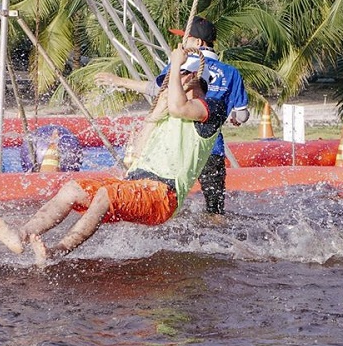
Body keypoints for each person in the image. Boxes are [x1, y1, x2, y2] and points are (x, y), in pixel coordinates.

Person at [0, 45, 228, 261]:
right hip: (136, 185)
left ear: (192, 78)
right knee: (71, 189)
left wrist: (175, 65)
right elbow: (138, 152)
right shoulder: (166, 112)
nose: (168, 84)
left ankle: (56, 252)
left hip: (163, 195)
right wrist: (154, 115)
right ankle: (21, 235)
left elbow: (180, 106)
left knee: (105, 194)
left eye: (176, 76)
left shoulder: (211, 109)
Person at [96, 16, 249, 216]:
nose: (181, 43)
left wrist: (119, 81)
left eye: (186, 39)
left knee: (163, 200)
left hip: (176, 147)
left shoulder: (182, 66)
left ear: (197, 42)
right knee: (215, 209)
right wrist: (234, 118)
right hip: (211, 149)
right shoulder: (231, 72)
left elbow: (157, 90)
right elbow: (242, 115)